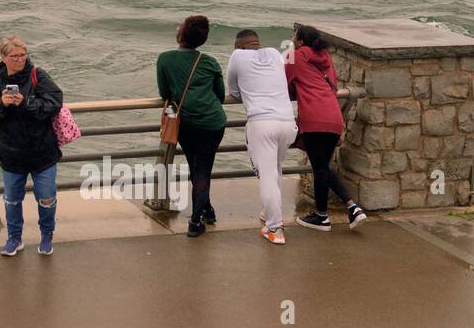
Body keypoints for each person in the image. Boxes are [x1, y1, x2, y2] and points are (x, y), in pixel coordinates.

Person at [0, 34, 64, 257]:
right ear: (3, 57)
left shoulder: (38, 76)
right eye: (15, 56)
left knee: (46, 199)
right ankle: (14, 238)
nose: (20, 60)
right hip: (11, 155)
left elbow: (54, 103)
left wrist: (25, 103)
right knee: (12, 200)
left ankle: (47, 235)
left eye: (23, 55)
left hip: (42, 153)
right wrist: (1, 104)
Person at [287, 24, 367, 231]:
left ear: (301, 41)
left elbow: (284, 82)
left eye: (294, 35)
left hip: (314, 118)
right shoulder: (325, 56)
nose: (292, 38)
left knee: (320, 168)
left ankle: (322, 217)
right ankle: (353, 208)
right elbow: (332, 81)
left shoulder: (295, 56)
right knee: (323, 166)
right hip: (334, 116)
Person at [156, 15, 226, 237]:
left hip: (185, 123)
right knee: (203, 169)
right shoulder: (209, 62)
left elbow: (164, 93)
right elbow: (221, 95)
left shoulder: (165, 59)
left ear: (181, 34)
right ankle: (205, 211)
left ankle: (196, 221)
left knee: (196, 167)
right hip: (213, 123)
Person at [226, 29, 296, 245]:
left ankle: (275, 228)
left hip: (262, 122)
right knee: (275, 170)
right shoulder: (275, 53)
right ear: (257, 43)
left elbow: (233, 90)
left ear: (239, 46)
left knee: (266, 175)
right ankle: (269, 213)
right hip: (287, 122)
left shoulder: (237, 56)